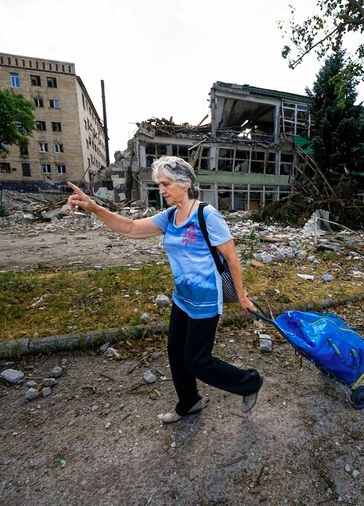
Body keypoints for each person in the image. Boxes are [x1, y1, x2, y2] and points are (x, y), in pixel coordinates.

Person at [66, 156, 262, 424]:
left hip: (205, 301)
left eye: (166, 184)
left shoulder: (207, 215)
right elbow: (132, 228)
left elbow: (231, 257)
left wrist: (241, 296)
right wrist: (94, 208)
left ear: (185, 183)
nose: (162, 190)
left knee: (197, 361)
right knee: (175, 353)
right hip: (182, 299)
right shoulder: (170, 217)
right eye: (159, 184)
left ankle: (249, 382)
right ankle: (189, 402)